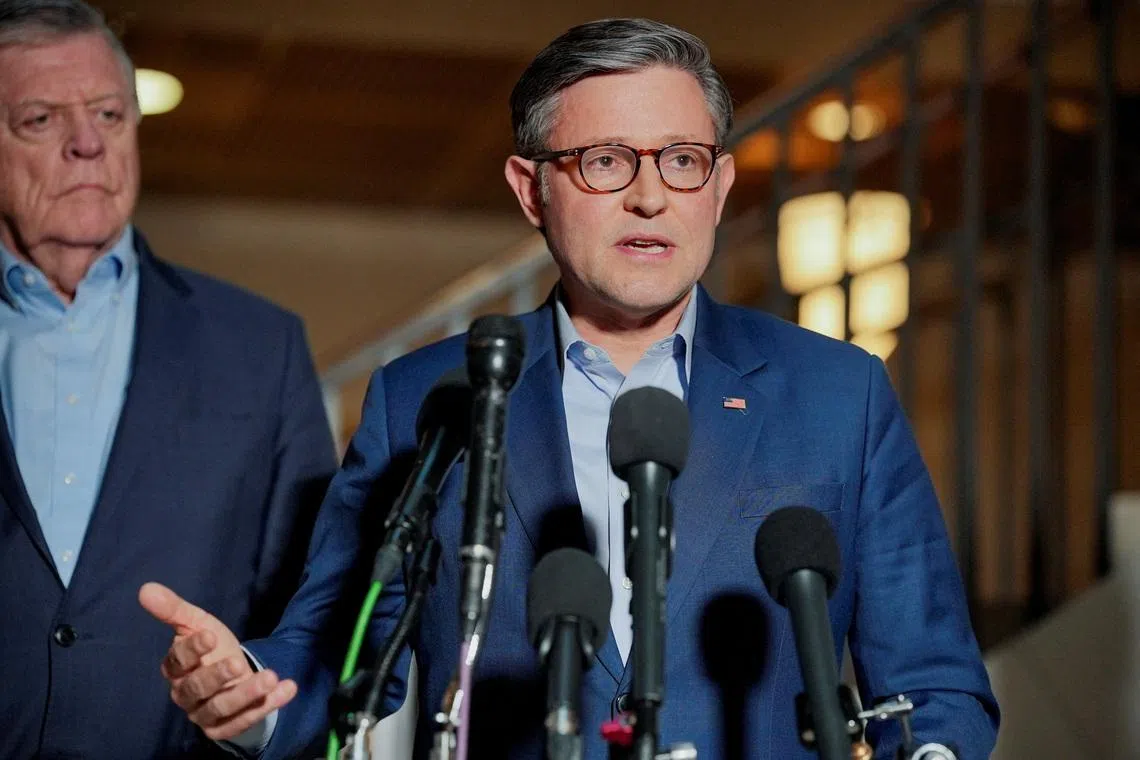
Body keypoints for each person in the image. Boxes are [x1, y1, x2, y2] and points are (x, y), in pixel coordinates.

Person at [142, 18, 999, 760]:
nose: (651, 196)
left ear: (721, 187)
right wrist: (248, 691)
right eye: (605, 162)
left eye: (683, 160)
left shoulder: (839, 394)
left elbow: (934, 686)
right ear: (532, 191)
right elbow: (342, 646)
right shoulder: (427, 399)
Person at [0, 1, 338, 757]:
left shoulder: (262, 346)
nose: (88, 143)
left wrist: (252, 696)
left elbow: (315, 613)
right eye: (41, 120)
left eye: (109, 114)